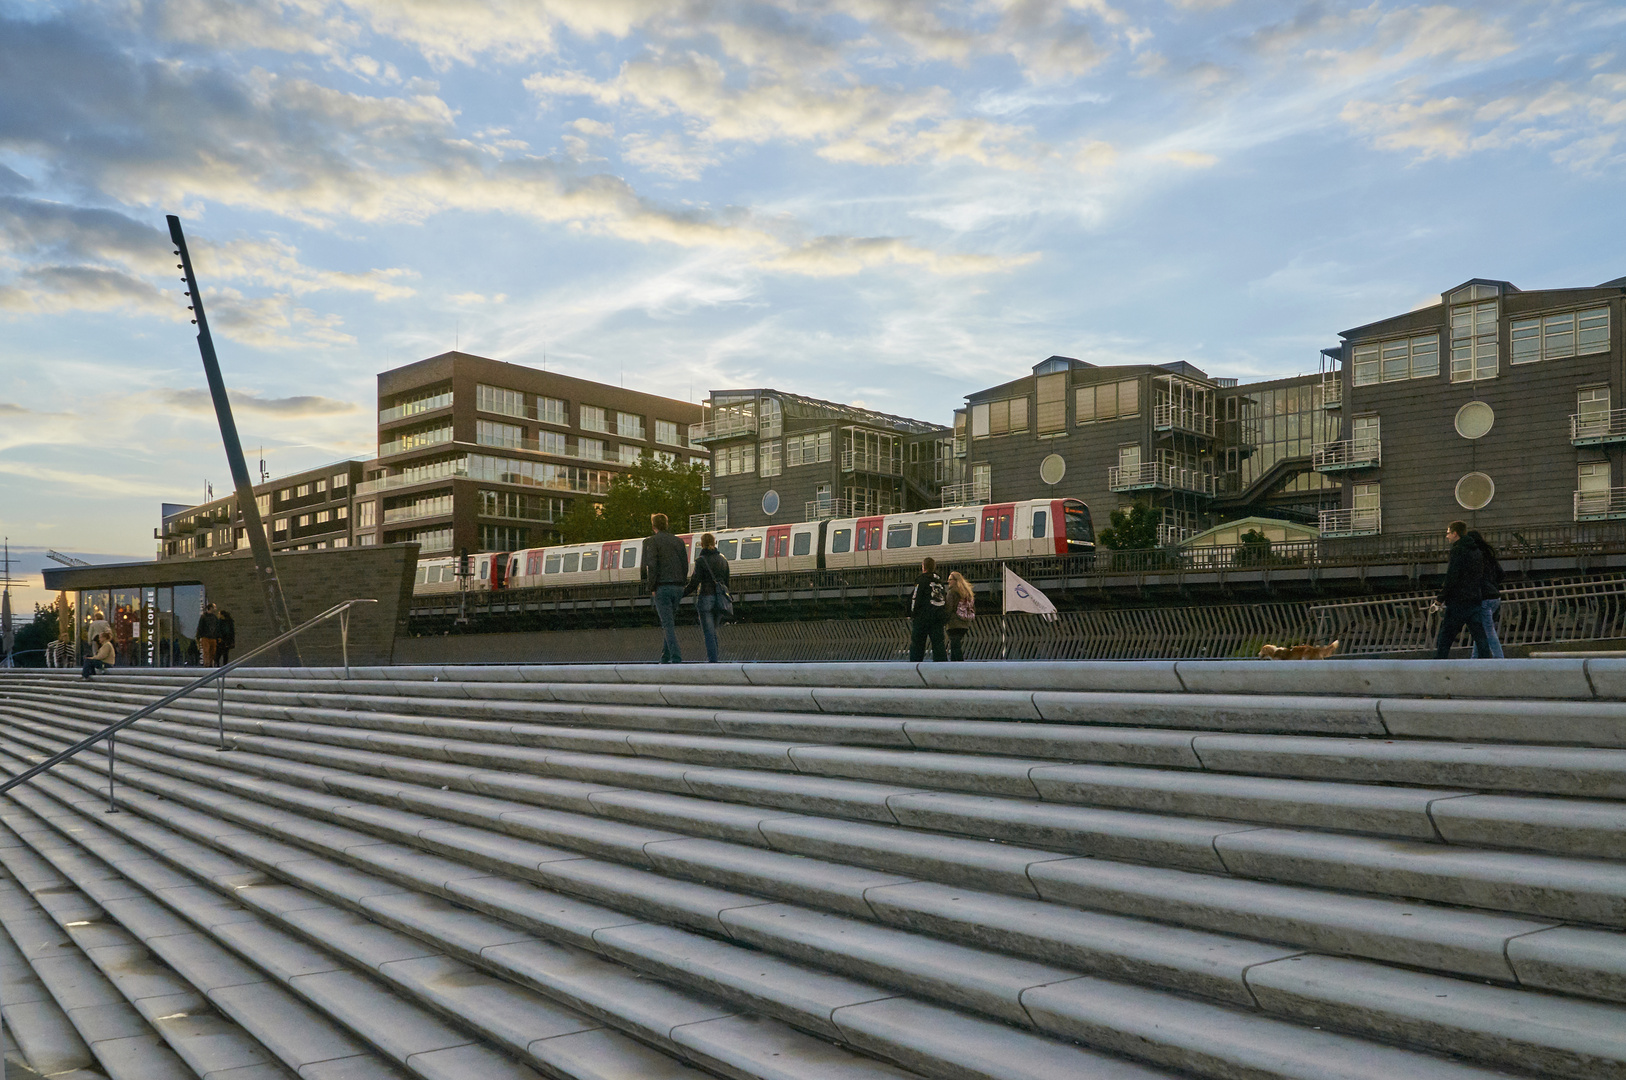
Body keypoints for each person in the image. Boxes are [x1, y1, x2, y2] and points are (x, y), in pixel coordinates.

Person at [1433, 520, 1492, 659]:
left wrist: (1440, 598)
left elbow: (1452, 576)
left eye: (1448, 533)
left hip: (1458, 601)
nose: (1447, 536)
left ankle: (1439, 663)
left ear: (1455, 533)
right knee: (1479, 634)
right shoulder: (1476, 551)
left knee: (1446, 635)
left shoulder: (1458, 550)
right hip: (1474, 598)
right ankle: (1487, 662)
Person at [642, 512, 689, 663]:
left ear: (653, 526)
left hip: (663, 587)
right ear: (667, 525)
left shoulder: (652, 542)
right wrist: (682, 583)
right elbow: (684, 565)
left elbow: (652, 565)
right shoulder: (679, 542)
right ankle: (665, 657)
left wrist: (652, 587)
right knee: (669, 622)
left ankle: (676, 658)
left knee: (667, 624)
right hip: (678, 587)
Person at [684, 533, 730, 663]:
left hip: (706, 597)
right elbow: (727, 582)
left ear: (702, 544)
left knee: (709, 632)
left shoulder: (701, 561)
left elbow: (694, 583)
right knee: (714, 631)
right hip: (720, 599)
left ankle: (713, 661)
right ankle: (715, 659)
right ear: (715, 543)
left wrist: (681, 594)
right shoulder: (723, 560)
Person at [1466, 530, 1505, 658]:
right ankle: (1475, 658)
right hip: (1494, 596)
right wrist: (1492, 584)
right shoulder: (1488, 555)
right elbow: (1501, 574)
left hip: (1484, 597)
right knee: (1483, 629)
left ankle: (1499, 658)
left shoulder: (1474, 556)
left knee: (1488, 630)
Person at [908, 557, 949, 662]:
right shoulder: (939, 582)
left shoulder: (921, 580)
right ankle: (942, 667)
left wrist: (912, 614)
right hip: (938, 617)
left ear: (923, 567)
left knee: (917, 644)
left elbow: (916, 598)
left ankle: (915, 667)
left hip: (923, 617)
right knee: (939, 645)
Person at [944, 571, 975, 662]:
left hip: (954, 623)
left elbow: (949, 607)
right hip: (965, 623)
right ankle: (955, 664)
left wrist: (944, 620)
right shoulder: (967, 593)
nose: (948, 581)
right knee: (955, 644)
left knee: (955, 645)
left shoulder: (952, 592)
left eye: (950, 579)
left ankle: (959, 665)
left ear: (956, 580)